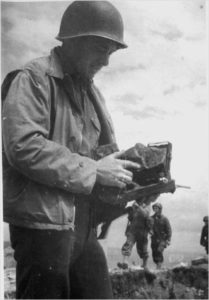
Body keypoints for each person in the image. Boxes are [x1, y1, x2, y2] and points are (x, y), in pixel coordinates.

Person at [2, 1, 141, 299]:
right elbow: (23, 146)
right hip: (43, 228)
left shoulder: (91, 93)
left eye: (111, 52)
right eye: (101, 49)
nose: (106, 62)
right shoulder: (34, 79)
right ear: (74, 41)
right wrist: (94, 170)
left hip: (83, 226)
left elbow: (100, 156)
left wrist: (134, 179)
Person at [118, 201, 153, 270]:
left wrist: (138, 207)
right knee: (128, 244)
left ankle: (144, 264)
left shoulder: (147, 205)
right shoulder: (135, 204)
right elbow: (130, 219)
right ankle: (125, 262)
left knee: (142, 248)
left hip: (142, 231)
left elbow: (145, 214)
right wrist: (131, 211)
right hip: (132, 230)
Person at [150, 203, 172, 269]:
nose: (155, 209)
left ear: (160, 209)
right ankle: (157, 265)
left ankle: (159, 266)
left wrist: (168, 239)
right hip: (154, 238)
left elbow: (169, 230)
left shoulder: (164, 219)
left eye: (157, 208)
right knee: (154, 252)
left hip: (162, 238)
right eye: (154, 208)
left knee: (159, 251)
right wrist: (150, 230)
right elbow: (148, 226)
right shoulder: (151, 218)